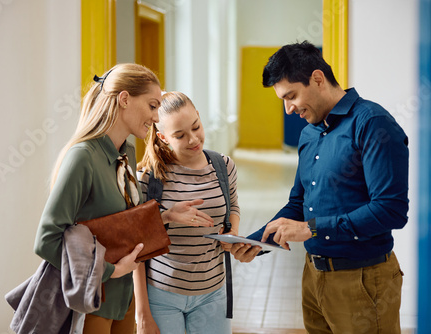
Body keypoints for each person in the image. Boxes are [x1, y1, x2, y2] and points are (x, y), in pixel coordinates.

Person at [230, 41, 409, 333]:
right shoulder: (310, 133)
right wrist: (256, 241)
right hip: (313, 277)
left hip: (362, 279)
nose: (288, 110)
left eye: (291, 96)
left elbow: (391, 210)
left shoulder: (373, 124)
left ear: (317, 78)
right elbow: (299, 204)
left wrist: (311, 228)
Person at [33, 64, 211, 334]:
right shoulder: (83, 157)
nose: (155, 117)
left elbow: (122, 223)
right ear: (125, 99)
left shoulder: (125, 151)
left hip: (124, 297)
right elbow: (47, 240)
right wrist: (109, 272)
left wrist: (166, 216)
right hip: (94, 300)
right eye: (152, 106)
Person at [134, 91, 240, 334]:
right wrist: (142, 314)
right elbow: (137, 243)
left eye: (196, 127)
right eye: (180, 135)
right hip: (162, 295)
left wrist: (232, 231)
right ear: (162, 137)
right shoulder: (150, 178)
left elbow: (233, 205)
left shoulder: (223, 166)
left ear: (200, 117)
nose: (193, 139)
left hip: (213, 293)